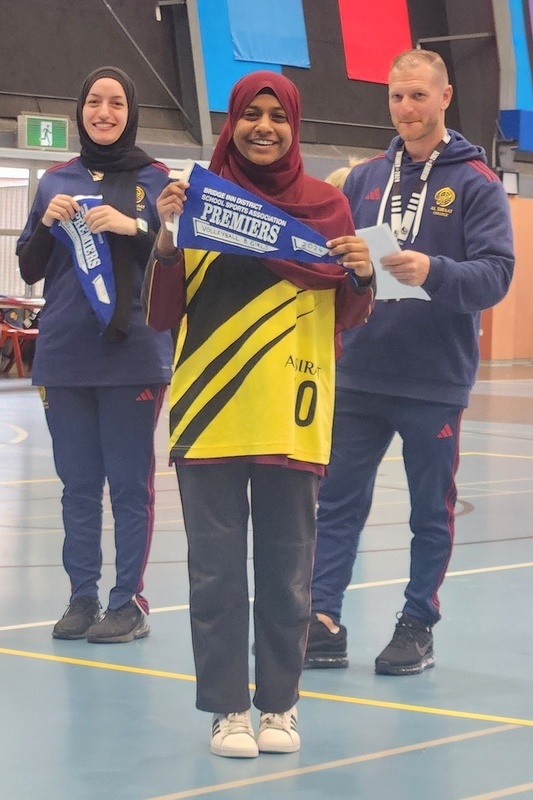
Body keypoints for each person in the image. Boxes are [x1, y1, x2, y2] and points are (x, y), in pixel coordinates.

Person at [144, 71, 374, 757]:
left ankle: (279, 706)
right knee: (214, 576)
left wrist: (366, 270)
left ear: (294, 125)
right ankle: (225, 712)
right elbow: (160, 314)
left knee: (286, 572)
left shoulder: (330, 206)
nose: (264, 127)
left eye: (277, 115)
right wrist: (163, 238)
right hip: (209, 416)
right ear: (231, 122)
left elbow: (353, 315)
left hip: (291, 417)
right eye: (251, 114)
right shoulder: (195, 201)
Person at [305, 49, 515, 676]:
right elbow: (351, 264)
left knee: (430, 509)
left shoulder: (476, 183)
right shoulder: (367, 177)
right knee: (337, 501)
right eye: (397, 96)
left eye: (418, 96)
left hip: (433, 379)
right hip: (362, 370)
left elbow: (498, 274)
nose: (406, 108)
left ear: (445, 97)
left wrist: (435, 271)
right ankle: (322, 617)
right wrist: (350, 262)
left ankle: (417, 622)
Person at [16, 67, 172, 644]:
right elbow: (31, 267)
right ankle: (82, 597)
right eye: (93, 103)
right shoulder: (53, 180)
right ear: (80, 111)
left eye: (115, 103)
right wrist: (46, 225)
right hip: (65, 353)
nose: (104, 112)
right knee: (77, 486)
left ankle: (127, 601)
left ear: (131, 111)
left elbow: (175, 256)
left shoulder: (156, 179)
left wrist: (133, 225)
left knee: (131, 486)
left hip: (133, 351)